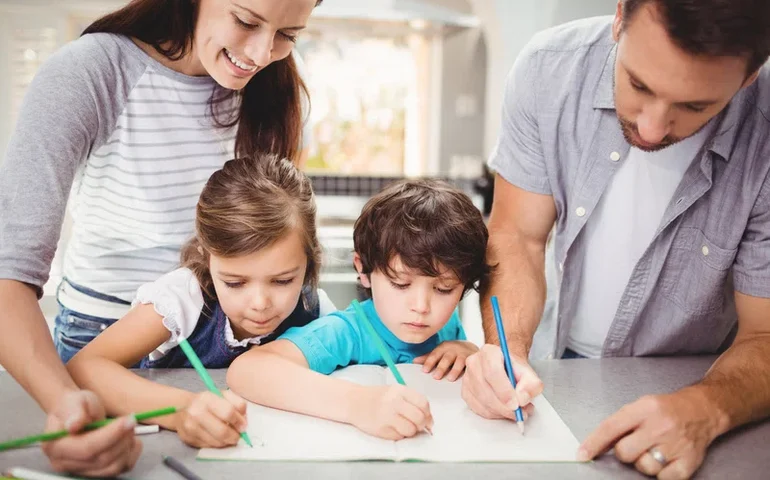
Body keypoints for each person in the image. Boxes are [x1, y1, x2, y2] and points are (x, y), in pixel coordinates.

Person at [0, 0, 321, 473]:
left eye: (288, 34)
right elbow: (9, 276)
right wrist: (68, 405)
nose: (261, 53)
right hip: (105, 346)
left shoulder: (272, 87)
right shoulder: (92, 71)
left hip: (214, 341)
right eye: (245, 21)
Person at [461, 1, 770, 478]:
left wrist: (708, 409)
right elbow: (518, 236)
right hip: (549, 364)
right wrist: (508, 352)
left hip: (696, 388)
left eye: (695, 106)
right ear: (620, 16)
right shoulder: (549, 70)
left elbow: (764, 334)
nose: (650, 128)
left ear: (750, 76)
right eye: (638, 84)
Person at [66, 154, 335, 448]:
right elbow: (84, 368)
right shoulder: (182, 298)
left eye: (283, 280)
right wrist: (180, 410)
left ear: (309, 262)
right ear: (207, 258)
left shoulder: (315, 309)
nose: (259, 303)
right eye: (234, 283)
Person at [227, 179, 490, 440]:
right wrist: (358, 404)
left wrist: (468, 351)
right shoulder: (346, 331)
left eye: (444, 289)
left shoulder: (448, 326)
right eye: (400, 283)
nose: (421, 307)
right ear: (363, 269)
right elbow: (248, 370)